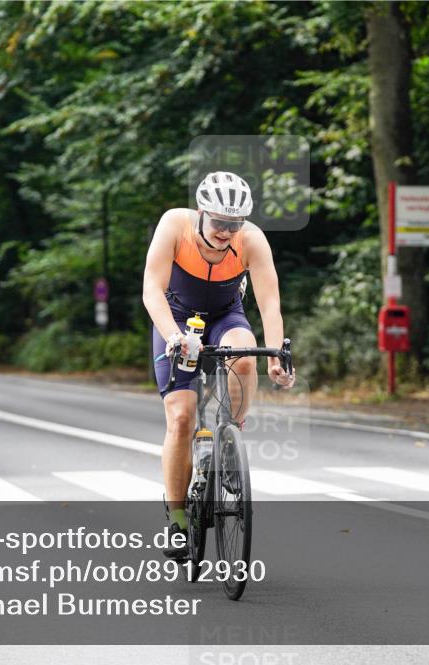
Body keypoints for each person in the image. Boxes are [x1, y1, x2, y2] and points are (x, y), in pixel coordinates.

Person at [142, 171, 296, 558]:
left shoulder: (252, 240)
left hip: (226, 316)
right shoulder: (174, 225)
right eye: (220, 223)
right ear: (201, 212)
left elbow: (269, 302)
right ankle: (177, 520)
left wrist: (276, 354)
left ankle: (231, 438)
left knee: (245, 355)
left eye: (235, 224)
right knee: (181, 417)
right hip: (176, 319)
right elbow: (151, 289)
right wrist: (174, 336)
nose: (227, 232)